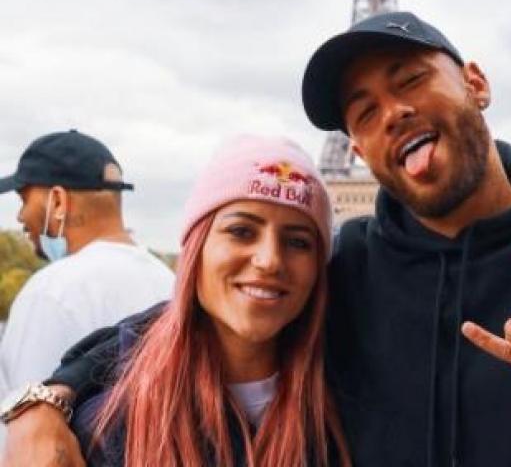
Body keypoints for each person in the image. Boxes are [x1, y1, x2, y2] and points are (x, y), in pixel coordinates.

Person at [4, 11, 511, 466]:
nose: (392, 112)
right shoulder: (345, 265)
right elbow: (176, 321)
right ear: (358, 146)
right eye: (362, 111)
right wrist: (48, 397)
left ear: (476, 81)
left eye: (411, 78)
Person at [5, 135, 351, 466]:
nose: (269, 259)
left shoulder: (352, 407)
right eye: (241, 231)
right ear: (195, 250)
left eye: (298, 242)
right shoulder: (107, 426)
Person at [0, 130, 174, 447]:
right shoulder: (170, 282)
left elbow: (24, 439)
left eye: (24, 198)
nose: (20, 215)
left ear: (58, 200)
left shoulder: (52, 292)